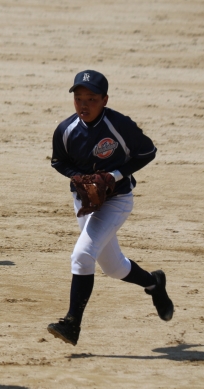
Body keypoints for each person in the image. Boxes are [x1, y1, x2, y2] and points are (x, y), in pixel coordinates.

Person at [47, 69, 174, 346]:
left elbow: (147, 152)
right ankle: (154, 283)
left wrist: (113, 176)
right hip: (85, 203)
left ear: (105, 100)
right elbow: (59, 162)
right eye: (79, 98)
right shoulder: (66, 130)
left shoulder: (119, 125)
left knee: (82, 255)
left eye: (91, 99)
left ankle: (72, 324)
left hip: (117, 200)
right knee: (114, 267)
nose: (84, 105)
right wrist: (77, 177)